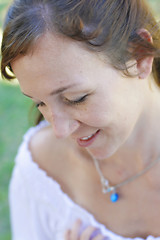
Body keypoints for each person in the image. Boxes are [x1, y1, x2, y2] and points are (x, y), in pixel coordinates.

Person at [1, 0, 160, 239]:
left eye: (76, 98)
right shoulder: (40, 171)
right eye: (40, 103)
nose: (60, 130)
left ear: (139, 57)